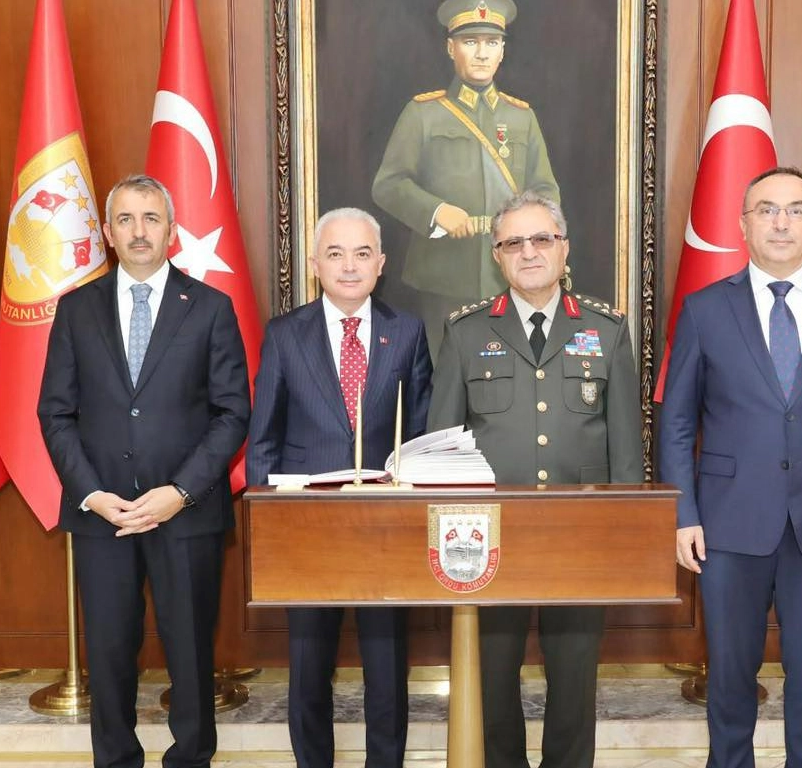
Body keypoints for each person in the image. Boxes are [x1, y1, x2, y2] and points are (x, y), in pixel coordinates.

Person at [658, 166, 802, 768]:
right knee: (730, 677)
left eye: (796, 210)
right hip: (727, 525)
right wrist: (683, 514)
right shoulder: (705, 309)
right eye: (766, 209)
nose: (781, 222)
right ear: (744, 224)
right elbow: (677, 421)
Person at [38, 174, 250, 768]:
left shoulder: (210, 308)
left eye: (151, 218)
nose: (139, 231)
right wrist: (91, 493)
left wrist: (180, 492)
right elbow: (55, 412)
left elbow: (233, 413)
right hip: (102, 515)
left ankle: (191, 758)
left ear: (172, 230)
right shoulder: (76, 309)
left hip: (184, 514)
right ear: (107, 232)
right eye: (126, 219)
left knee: (191, 652)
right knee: (108, 654)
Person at [428, 190, 643, 768]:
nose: (529, 252)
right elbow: (442, 448)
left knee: (574, 676)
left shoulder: (606, 329)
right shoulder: (466, 332)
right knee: (492, 677)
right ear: (497, 256)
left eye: (542, 238)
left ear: (564, 248)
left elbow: (626, 450)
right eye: (513, 242)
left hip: (582, 534)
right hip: (487, 537)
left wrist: (624, 536)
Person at [246, 208, 432, 768]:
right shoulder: (284, 335)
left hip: (387, 527)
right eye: (335, 254)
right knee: (308, 669)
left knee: (387, 669)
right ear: (314, 264)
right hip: (307, 529)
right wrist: (269, 530)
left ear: (381, 263)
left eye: (361, 254)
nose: (349, 266)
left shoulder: (408, 331)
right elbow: (263, 440)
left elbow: (420, 434)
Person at [372, 0, 560, 353]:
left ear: (502, 51)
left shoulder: (522, 117)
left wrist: (527, 236)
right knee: (447, 374)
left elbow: (545, 190)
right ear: (450, 48)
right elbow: (388, 184)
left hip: (510, 272)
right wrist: (435, 211)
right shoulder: (423, 114)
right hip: (444, 275)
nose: (482, 53)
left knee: (511, 374)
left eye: (491, 42)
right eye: (470, 42)